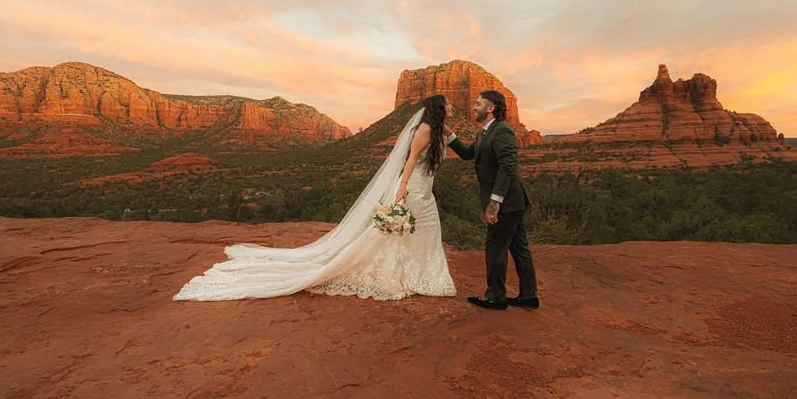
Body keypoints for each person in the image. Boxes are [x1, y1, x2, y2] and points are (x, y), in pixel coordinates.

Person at [173, 95, 456, 301]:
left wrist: (450, 133)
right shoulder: (425, 130)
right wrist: (402, 187)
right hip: (414, 188)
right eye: (449, 104)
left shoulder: (439, 130)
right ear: (439, 108)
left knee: (425, 232)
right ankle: (410, 273)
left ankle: (424, 272)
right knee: (402, 232)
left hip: (426, 191)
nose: (453, 107)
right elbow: (410, 160)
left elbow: (450, 150)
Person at [445, 90, 539, 310]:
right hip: (512, 203)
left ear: (491, 108)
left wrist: (494, 203)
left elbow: (507, 168)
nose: (474, 107)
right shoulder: (484, 132)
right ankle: (528, 296)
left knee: (495, 248)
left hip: (506, 204)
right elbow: (469, 154)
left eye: (478, 104)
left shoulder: (503, 132)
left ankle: (495, 297)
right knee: (519, 248)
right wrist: (449, 134)